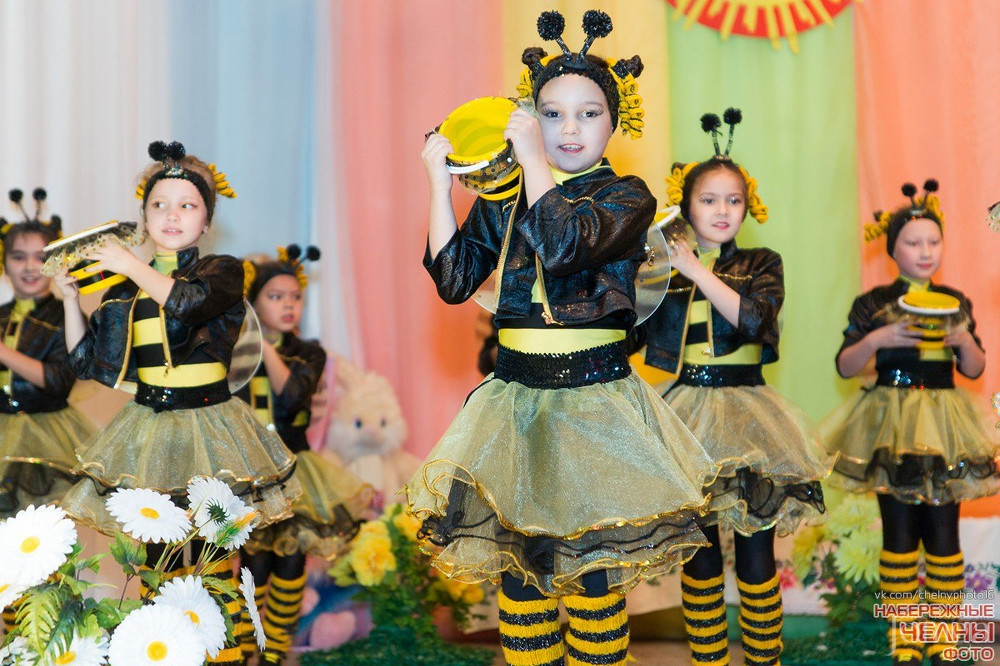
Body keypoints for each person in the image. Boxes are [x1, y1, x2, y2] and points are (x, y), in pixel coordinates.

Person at [406, 10, 717, 666]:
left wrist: (528, 163)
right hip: (516, 400)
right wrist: (441, 186)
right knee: (522, 572)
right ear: (531, 120)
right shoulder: (507, 194)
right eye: (552, 114)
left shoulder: (627, 197)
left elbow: (566, 244)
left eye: (587, 113)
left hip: (595, 401)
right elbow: (457, 280)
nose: (569, 129)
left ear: (615, 122)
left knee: (591, 574)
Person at [54, 141, 300, 666]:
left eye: (186, 205)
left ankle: (225, 657)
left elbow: (189, 304)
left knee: (213, 562)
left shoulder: (223, 271)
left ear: (207, 218)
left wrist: (127, 262)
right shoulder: (125, 290)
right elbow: (85, 364)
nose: (171, 215)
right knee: (157, 561)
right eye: (159, 205)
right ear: (142, 217)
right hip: (149, 431)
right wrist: (73, 302)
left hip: (211, 429)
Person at [642, 110, 831, 666]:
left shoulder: (762, 262)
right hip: (685, 416)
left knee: (755, 555)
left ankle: (764, 659)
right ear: (686, 205)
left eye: (734, 201)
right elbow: (631, 332)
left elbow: (753, 320)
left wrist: (698, 270)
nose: (722, 211)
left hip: (751, 416)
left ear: (748, 209)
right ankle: (707, 659)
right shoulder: (660, 267)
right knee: (697, 557)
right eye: (709, 199)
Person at [822, 180, 999, 666]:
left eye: (933, 241)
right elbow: (845, 365)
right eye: (913, 242)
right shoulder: (874, 302)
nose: (925, 251)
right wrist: (881, 336)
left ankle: (943, 634)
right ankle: (905, 634)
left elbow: (976, 369)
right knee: (899, 535)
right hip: (890, 426)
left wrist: (961, 338)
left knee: (943, 534)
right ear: (893, 249)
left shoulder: (954, 301)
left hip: (945, 423)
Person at [236, 245, 371, 664]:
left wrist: (262, 342)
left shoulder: (308, 353)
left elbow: (292, 394)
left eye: (295, 297)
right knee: (252, 566)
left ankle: (276, 653)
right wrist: (247, 336)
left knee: (291, 564)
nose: (289, 304)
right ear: (253, 303)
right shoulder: (234, 353)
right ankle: (244, 652)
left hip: (295, 470)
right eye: (275, 297)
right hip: (247, 475)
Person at [0, 189, 95, 633]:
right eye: (18, 257)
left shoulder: (65, 315)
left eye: (40, 256)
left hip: (49, 438)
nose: (29, 266)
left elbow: (60, 380)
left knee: (46, 550)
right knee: (5, 557)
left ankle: (51, 643)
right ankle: (14, 644)